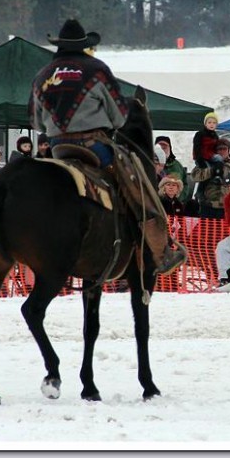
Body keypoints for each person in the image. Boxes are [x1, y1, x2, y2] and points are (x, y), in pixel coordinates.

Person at [29, 18, 176, 274]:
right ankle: (160, 250)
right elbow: (120, 116)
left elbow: (35, 122)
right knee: (137, 181)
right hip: (93, 146)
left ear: (59, 46)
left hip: (57, 149)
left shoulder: (42, 74)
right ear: (84, 46)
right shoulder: (96, 69)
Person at [191, 138, 230, 220]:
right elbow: (194, 176)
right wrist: (211, 170)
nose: (222, 151)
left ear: (228, 150)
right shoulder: (207, 163)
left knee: (225, 232)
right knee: (206, 231)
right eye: (219, 149)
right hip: (207, 205)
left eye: (224, 149)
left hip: (226, 207)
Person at [155, 135, 189, 201]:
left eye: (164, 148)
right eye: (159, 148)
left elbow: (185, 184)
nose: (162, 151)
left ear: (170, 148)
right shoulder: (148, 165)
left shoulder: (177, 166)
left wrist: (178, 199)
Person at [193, 112, 223, 183]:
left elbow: (215, 148)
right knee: (207, 171)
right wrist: (199, 159)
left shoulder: (215, 135)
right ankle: (200, 190)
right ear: (205, 124)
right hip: (201, 156)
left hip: (210, 155)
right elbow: (196, 147)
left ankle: (218, 175)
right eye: (209, 122)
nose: (211, 124)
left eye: (214, 123)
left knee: (219, 158)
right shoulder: (200, 134)